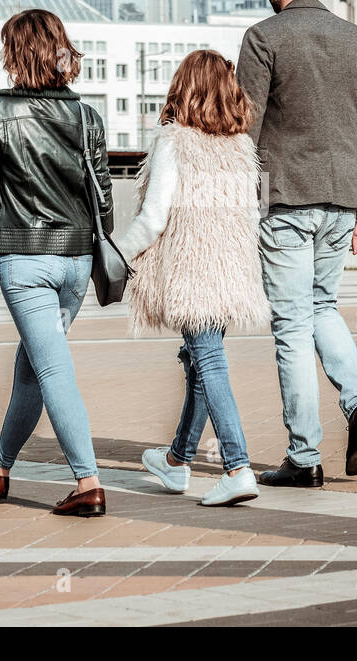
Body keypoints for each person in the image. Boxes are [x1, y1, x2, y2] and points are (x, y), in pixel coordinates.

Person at [0, 8, 113, 518]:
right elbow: (104, 193)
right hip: (76, 260)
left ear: (15, 53)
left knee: (50, 367)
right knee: (32, 365)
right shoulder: (85, 115)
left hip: (26, 259)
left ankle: (88, 483)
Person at [236, 0, 357, 488]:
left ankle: (304, 456)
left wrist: (232, 204)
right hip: (343, 200)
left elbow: (243, 129)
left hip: (287, 201)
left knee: (292, 326)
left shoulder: (262, 38)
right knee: (323, 306)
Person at [115, 50, 270, 506]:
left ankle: (237, 466)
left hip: (192, 273)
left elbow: (153, 218)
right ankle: (178, 460)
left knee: (211, 365)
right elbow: (249, 215)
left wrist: (117, 254)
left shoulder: (175, 142)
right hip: (230, 271)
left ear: (185, 88)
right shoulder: (241, 147)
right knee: (202, 365)